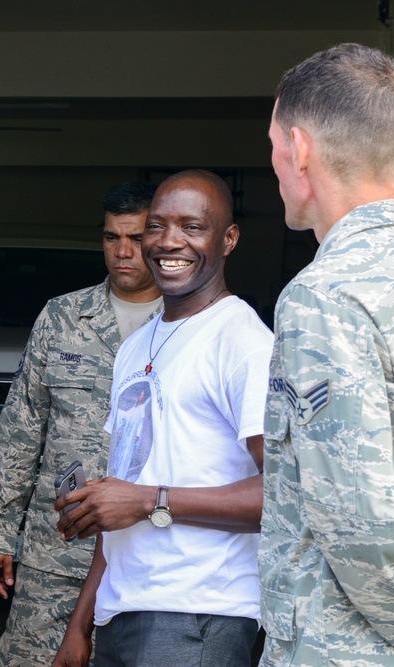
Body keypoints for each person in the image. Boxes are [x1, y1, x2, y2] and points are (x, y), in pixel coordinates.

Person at [262, 43, 394, 666]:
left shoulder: (323, 298)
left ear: (301, 148)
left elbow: (366, 529)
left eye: (274, 146)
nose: (275, 165)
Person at [52, 169, 273, 667]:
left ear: (228, 239)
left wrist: (148, 500)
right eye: (157, 226)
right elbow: (124, 495)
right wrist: (81, 623)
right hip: (123, 608)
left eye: (192, 227)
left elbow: (284, 493)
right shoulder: (136, 347)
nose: (169, 241)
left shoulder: (242, 342)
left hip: (198, 615)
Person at [0, 181, 162, 666]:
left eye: (137, 238)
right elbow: (20, 432)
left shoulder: (190, 323)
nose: (123, 252)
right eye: (110, 238)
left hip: (151, 553)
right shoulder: (62, 317)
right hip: (56, 552)